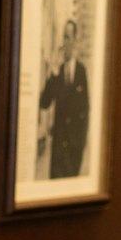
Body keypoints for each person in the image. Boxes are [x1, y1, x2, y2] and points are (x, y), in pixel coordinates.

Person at [39, 17, 91, 179]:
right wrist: (52, 74)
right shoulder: (58, 71)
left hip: (74, 152)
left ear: (74, 41)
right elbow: (44, 102)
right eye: (64, 37)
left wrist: (80, 146)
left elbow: (85, 110)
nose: (64, 42)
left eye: (68, 37)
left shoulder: (81, 72)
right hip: (58, 153)